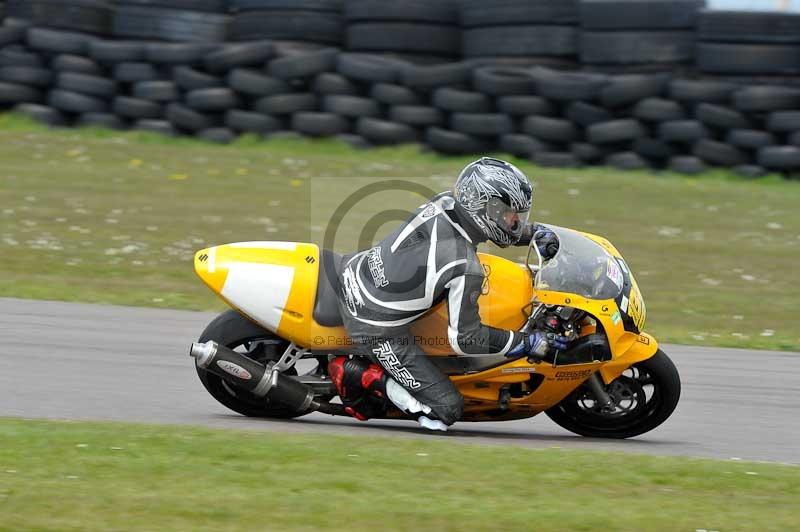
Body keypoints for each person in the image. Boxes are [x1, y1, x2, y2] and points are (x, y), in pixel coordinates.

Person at [328, 157, 567, 431]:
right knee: (445, 410)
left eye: (518, 216)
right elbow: (466, 339)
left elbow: (494, 227)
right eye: (511, 215)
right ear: (483, 208)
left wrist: (533, 232)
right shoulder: (465, 266)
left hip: (358, 270)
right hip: (374, 325)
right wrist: (525, 342)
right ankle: (356, 374)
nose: (515, 222)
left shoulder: (446, 203)